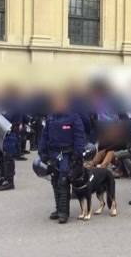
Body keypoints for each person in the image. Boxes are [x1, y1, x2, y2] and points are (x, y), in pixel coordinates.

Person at [38, 92, 86, 223]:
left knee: (63, 181)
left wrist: (77, 155)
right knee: (55, 180)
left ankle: (64, 212)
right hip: (53, 154)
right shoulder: (50, 118)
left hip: (67, 154)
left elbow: (79, 137)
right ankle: (58, 208)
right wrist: (42, 153)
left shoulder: (74, 117)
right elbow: (44, 137)